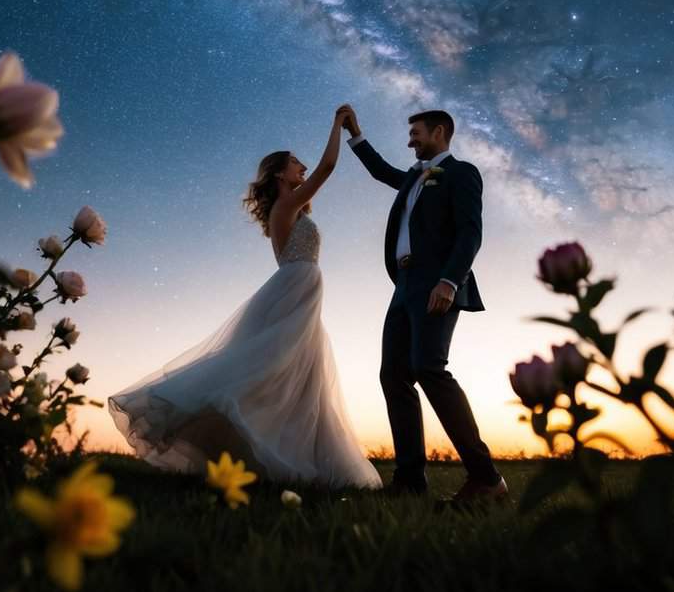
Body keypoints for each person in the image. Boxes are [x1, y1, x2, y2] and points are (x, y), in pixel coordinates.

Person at [108, 106, 382, 489]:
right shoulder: (285, 206)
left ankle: (299, 460)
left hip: (301, 292)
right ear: (279, 175)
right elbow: (327, 168)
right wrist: (339, 124)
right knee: (273, 369)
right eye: (295, 164)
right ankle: (256, 445)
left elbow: (316, 175)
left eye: (302, 164)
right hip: (293, 290)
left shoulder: (294, 209)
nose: (302, 167)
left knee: (298, 377)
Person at [339, 104, 508, 502]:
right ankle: (410, 480)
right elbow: (381, 170)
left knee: (429, 368)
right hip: (404, 287)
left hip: (438, 283)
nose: (410, 140)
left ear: (439, 132)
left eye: (416, 133)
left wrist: (449, 281)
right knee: (393, 376)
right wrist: (356, 133)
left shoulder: (461, 173)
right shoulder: (413, 178)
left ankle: (487, 479)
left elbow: (470, 232)